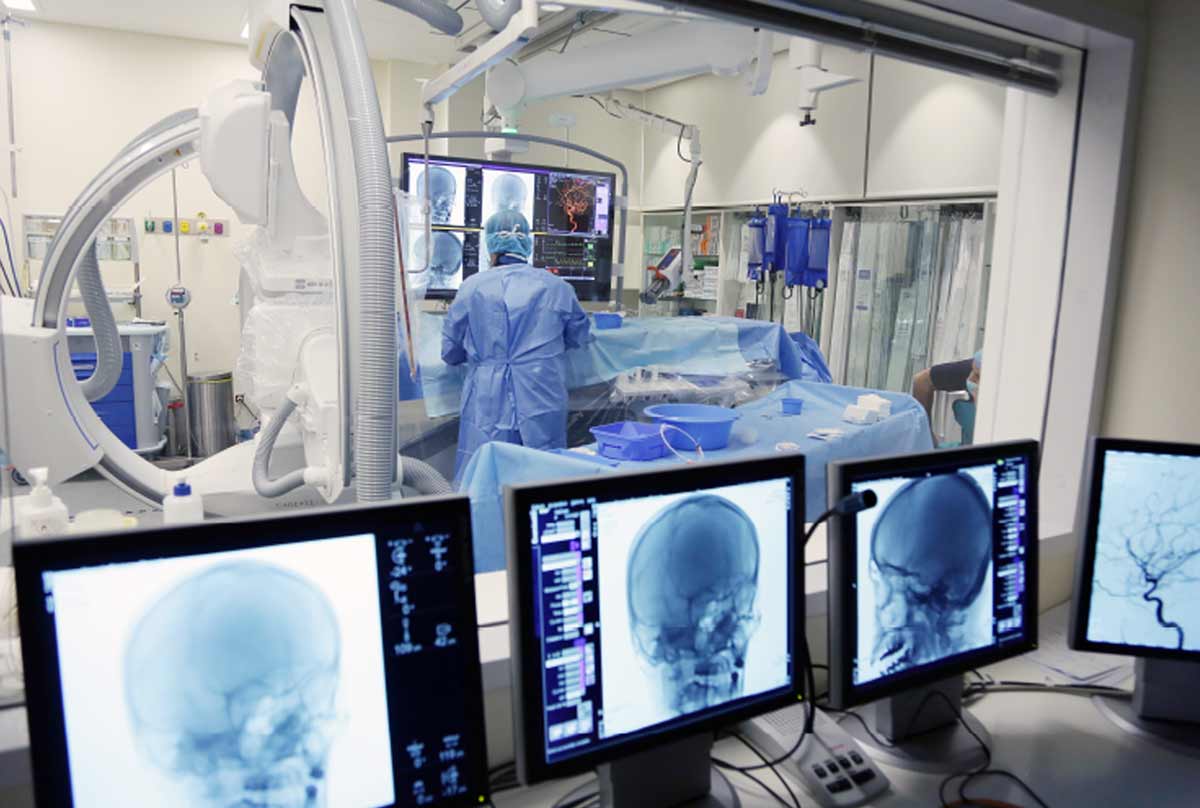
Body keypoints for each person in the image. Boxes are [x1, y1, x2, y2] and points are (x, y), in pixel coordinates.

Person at [442, 209, 591, 480]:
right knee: (544, 473)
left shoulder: (472, 287)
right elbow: (579, 336)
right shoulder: (557, 287)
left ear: (491, 245)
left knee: (485, 475)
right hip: (541, 391)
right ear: (527, 243)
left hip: (488, 397)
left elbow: (450, 350)